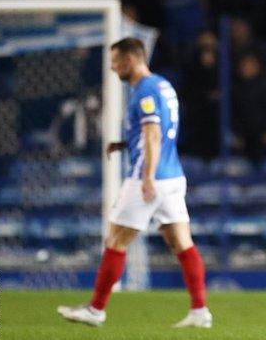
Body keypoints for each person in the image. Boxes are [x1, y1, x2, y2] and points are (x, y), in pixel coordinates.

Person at [57, 38, 212, 328]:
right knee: (181, 242)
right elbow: (161, 132)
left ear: (130, 60)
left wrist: (148, 176)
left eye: (115, 61)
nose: (113, 68)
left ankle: (96, 309)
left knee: (115, 240)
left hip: (150, 177)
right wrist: (124, 144)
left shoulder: (145, 91)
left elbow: (153, 133)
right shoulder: (164, 85)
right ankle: (200, 310)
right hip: (174, 176)